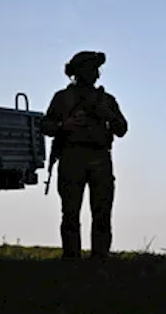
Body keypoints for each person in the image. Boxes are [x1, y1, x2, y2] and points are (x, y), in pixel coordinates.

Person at [40, 51, 128, 260]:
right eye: (92, 69)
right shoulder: (62, 98)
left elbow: (122, 129)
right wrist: (65, 125)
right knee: (70, 213)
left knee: (102, 213)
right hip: (72, 157)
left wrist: (108, 115)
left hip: (100, 158)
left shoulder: (106, 100)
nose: (97, 74)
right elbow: (45, 125)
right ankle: (72, 257)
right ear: (79, 72)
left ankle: (100, 256)